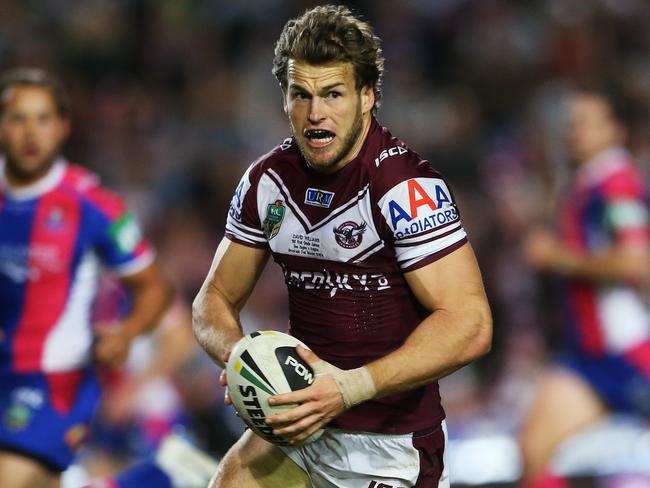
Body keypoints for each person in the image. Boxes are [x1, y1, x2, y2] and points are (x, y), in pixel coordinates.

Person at [192, 5, 492, 488]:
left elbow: (471, 324)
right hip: (300, 431)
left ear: (368, 96)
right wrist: (239, 356)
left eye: (333, 94)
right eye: (301, 95)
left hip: (390, 449)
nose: (315, 114)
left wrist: (349, 388)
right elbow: (212, 301)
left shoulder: (405, 187)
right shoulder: (266, 181)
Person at [0, 67, 172, 488]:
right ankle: (142, 482)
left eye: (43, 119)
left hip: (55, 380)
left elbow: (154, 287)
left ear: (62, 128)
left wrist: (128, 332)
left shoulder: (92, 205)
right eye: (18, 118)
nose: (30, 133)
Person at [520, 87, 650, 487]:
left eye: (585, 123)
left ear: (616, 130)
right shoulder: (587, 183)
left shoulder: (616, 184)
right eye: (570, 123)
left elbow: (636, 263)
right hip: (591, 358)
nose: (574, 132)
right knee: (534, 448)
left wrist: (556, 257)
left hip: (628, 353)